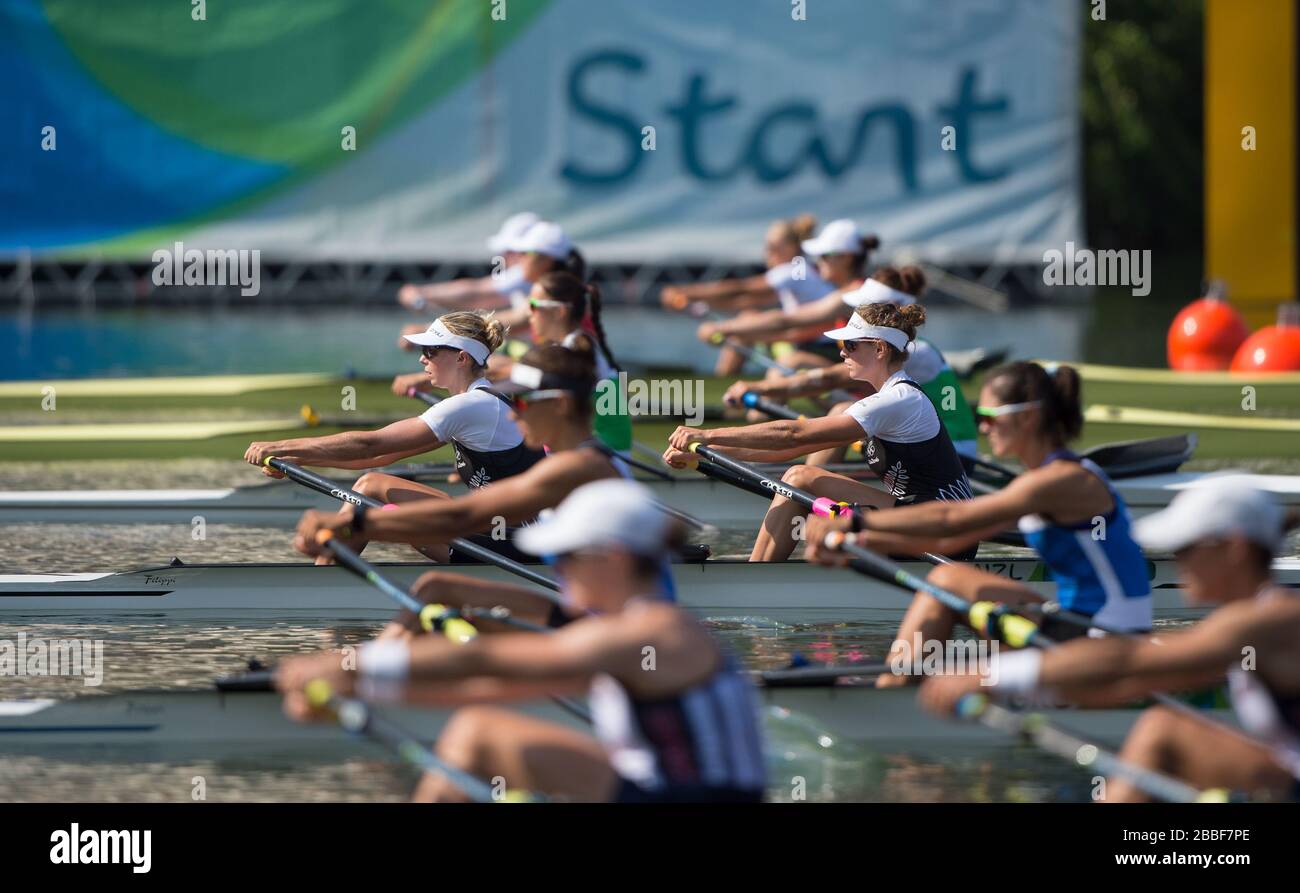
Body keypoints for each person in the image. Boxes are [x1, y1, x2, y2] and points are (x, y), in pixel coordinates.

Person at [276, 479, 768, 803]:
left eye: (565, 559)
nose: (557, 571)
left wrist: (349, 668)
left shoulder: (656, 632)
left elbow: (494, 660)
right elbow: (491, 688)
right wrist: (363, 693)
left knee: (478, 734)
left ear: (613, 558)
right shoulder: (630, 633)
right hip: (660, 790)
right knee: (475, 726)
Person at [917, 481, 1300, 803]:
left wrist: (990, 675)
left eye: (1186, 548)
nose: (1177, 560)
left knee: (1161, 731)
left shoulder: (1266, 622)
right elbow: (1132, 679)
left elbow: (1129, 661)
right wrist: (1052, 690)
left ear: (1234, 549)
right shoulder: (1256, 620)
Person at [806, 361, 1152, 687]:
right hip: (1075, 620)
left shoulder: (1061, 481)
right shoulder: (1043, 478)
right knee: (947, 578)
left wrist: (856, 525)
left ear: (1029, 418)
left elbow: (951, 517)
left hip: (1108, 639)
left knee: (946, 584)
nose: (982, 426)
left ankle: (897, 691)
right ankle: (903, 683)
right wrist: (866, 544)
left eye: (988, 415)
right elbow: (945, 542)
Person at [664, 301, 973, 562]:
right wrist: (703, 458)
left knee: (800, 478)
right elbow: (786, 450)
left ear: (879, 349)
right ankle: (760, 571)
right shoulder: (884, 400)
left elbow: (794, 435)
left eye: (850, 345)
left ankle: (757, 577)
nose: (842, 353)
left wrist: (707, 435)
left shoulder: (898, 400)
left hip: (945, 533)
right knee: (798, 476)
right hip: (915, 518)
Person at [290, 344, 633, 566]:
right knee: (435, 591)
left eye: (524, 402)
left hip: (572, 579)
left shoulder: (578, 467)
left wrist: (355, 525)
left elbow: (463, 517)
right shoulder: (574, 455)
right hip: (548, 557)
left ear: (559, 405)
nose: (514, 413)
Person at [245, 311, 544, 562]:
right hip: (495, 530)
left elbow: (370, 443)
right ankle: (327, 578)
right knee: (371, 483)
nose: (422, 360)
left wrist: (280, 446)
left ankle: (322, 587)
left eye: (430, 351)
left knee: (371, 486)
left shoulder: (471, 405)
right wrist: (297, 458)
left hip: (521, 543)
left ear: (462, 358)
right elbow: (377, 457)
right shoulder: (478, 402)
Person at [721, 265, 979, 460]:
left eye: (863, 309)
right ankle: (780, 466)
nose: (853, 316)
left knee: (842, 410)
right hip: (912, 437)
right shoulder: (893, 345)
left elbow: (831, 379)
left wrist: (758, 389)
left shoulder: (914, 351)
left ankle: (802, 488)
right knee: (829, 404)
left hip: (953, 450)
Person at [661, 214, 834, 376]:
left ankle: (723, 387)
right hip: (803, 340)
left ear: (791, 248)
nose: (766, 253)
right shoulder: (803, 269)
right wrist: (698, 303)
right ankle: (726, 384)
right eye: (766, 246)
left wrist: (684, 292)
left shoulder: (793, 270)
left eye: (772, 247)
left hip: (817, 347)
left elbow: (741, 288)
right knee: (747, 317)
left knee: (741, 330)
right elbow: (744, 300)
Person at [697, 219, 879, 370]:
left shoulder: (851, 295)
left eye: (824, 255)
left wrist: (723, 328)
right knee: (749, 323)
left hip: (851, 371)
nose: (818, 260)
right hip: (834, 357)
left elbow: (785, 320)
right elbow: (747, 299)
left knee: (790, 363)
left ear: (846, 258)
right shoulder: (845, 290)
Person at [490, 271, 632, 452]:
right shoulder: (569, 346)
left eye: (533, 305)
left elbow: (554, 380)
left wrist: (510, 371)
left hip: (600, 458)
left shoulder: (578, 349)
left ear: (559, 311)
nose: (528, 314)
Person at [392, 213, 537, 360]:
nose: (504, 256)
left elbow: (478, 294)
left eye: (511, 251)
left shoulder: (529, 274)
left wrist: (431, 326)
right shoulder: (532, 273)